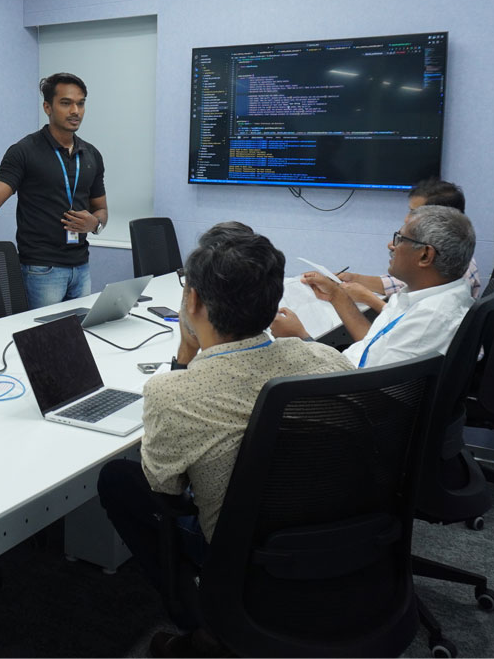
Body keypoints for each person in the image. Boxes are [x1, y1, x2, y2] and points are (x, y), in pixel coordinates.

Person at [97, 223, 351, 654]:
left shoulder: (175, 393)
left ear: (193, 300)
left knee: (117, 479)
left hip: (240, 551)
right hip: (334, 538)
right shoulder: (328, 359)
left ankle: (204, 621)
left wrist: (184, 358)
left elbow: (164, 487)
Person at [0, 72, 107, 308]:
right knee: (42, 332)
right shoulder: (25, 151)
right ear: (47, 107)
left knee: (77, 331)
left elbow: (101, 209)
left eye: (80, 103)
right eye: (66, 103)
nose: (75, 111)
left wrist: (95, 224)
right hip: (41, 269)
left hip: (81, 267)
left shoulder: (91, 155)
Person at [272, 205, 476, 369]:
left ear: (425, 255)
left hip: (349, 396)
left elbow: (364, 387)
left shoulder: (430, 318)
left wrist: (301, 338)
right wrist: (336, 294)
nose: (391, 245)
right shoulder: (425, 294)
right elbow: (373, 344)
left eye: (400, 239)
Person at [338, 177, 482, 312]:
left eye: (415, 213)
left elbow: (411, 318)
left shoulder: (456, 272)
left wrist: (367, 298)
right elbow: (399, 284)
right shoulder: (446, 261)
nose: (407, 218)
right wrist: (354, 279)